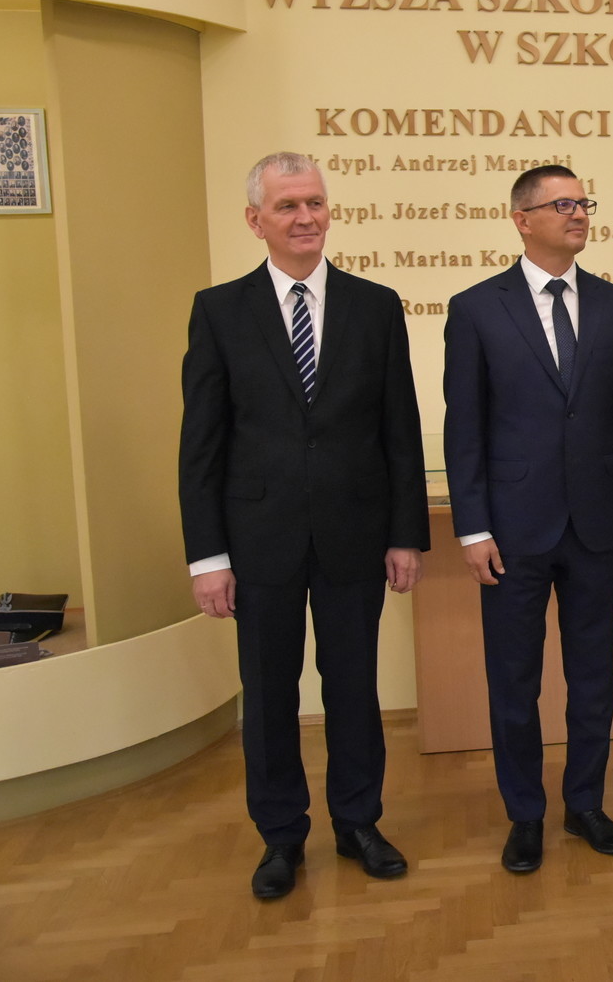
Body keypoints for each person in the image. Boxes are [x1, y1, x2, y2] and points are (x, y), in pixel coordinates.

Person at [179, 151, 430, 899]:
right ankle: (281, 837)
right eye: (287, 205)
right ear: (255, 220)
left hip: (356, 535)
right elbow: (202, 445)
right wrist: (207, 558)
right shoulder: (220, 311)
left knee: (353, 688)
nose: (305, 217)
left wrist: (405, 533)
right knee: (269, 696)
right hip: (259, 541)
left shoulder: (375, 306)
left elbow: (400, 431)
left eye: (314, 202)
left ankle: (358, 822)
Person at [442, 165, 613, 874]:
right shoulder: (477, 309)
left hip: (596, 525)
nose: (578, 214)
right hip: (511, 531)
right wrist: (472, 528)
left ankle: (586, 803)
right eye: (562, 204)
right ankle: (525, 814)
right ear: (522, 219)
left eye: (583, 202)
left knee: (593, 677)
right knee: (515, 681)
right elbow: (464, 429)